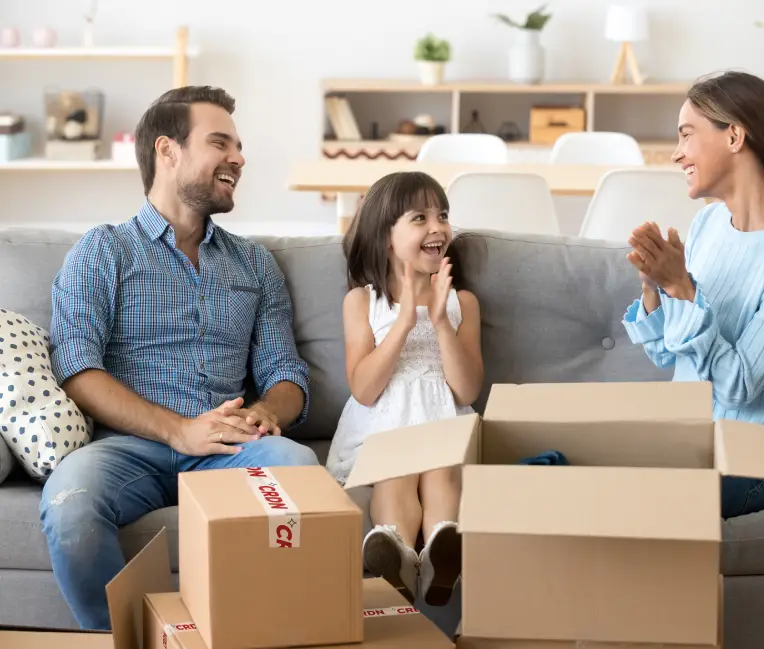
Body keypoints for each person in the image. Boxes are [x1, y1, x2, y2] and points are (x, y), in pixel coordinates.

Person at [41, 86, 318, 630]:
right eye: (220, 142)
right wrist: (177, 431)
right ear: (167, 151)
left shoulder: (255, 265)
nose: (238, 158)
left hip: (230, 447)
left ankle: (266, 634)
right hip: (128, 449)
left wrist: (270, 412)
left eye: (239, 146)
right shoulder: (103, 251)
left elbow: (287, 375)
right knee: (70, 504)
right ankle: (117, 639)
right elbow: (77, 368)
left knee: (302, 472)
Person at [622, 71, 764, 519]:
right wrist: (654, 288)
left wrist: (681, 288)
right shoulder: (707, 225)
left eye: (687, 134)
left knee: (622, 494)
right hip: (689, 443)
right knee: (557, 467)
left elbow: (738, 386)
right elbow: (668, 355)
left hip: (751, 464)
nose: (676, 153)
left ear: (735, 136)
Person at [326, 171, 483, 606]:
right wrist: (405, 322)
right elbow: (364, 389)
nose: (438, 228)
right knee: (395, 473)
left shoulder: (461, 302)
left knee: (441, 470)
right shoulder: (362, 301)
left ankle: (441, 553)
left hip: (442, 423)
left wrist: (439, 322)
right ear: (386, 236)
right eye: (420, 218)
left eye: (443, 215)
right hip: (385, 428)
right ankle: (392, 551)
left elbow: (466, 389)